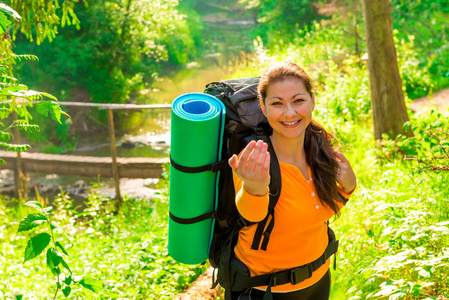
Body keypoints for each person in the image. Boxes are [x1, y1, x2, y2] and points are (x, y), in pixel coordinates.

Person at [227, 61, 357, 300]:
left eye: (298, 100)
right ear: (264, 108)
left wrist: (347, 188)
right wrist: (255, 187)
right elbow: (251, 216)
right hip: (265, 291)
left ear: (312, 101)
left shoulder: (320, 150)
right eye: (277, 103)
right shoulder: (256, 158)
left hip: (319, 280)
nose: (289, 113)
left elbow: (317, 213)